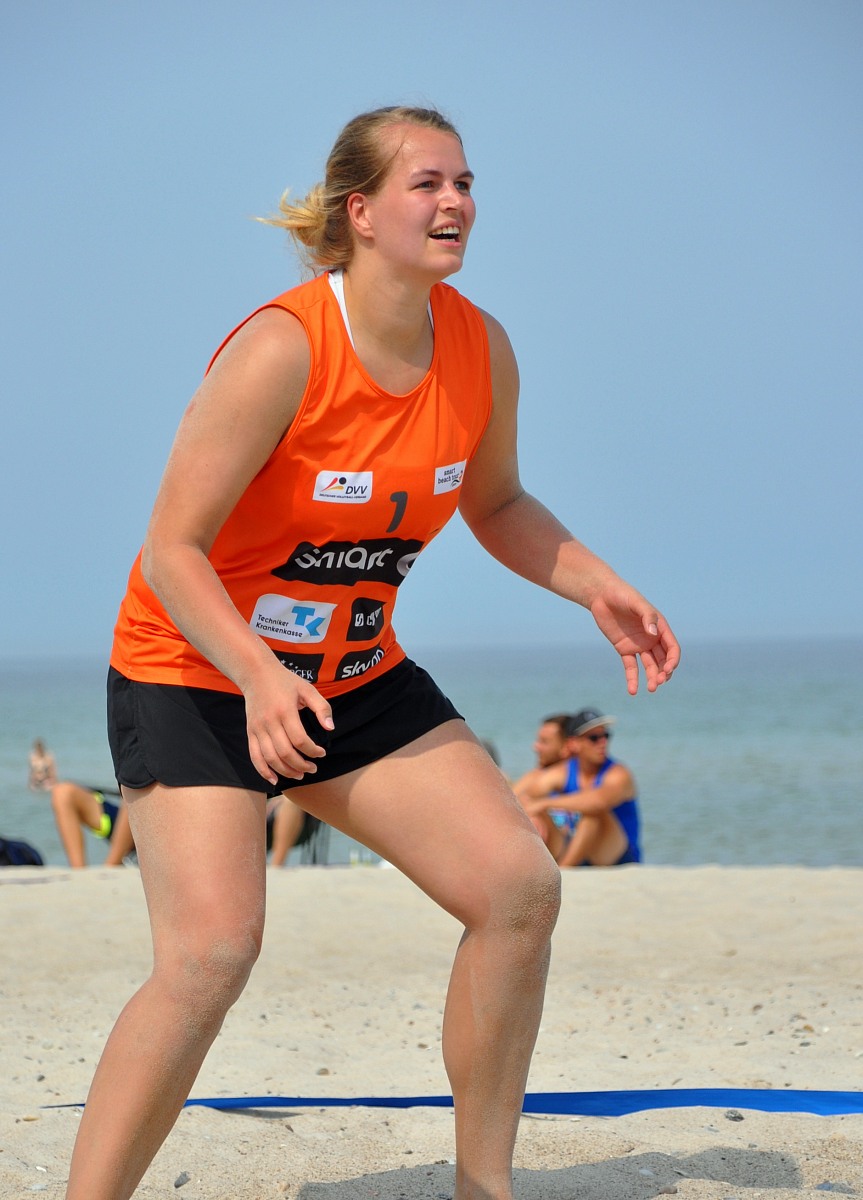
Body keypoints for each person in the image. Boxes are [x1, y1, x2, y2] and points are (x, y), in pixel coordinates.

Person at [67, 105, 679, 1200]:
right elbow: (171, 551)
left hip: (351, 676)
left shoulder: (480, 346)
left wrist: (597, 584)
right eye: (425, 183)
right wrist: (258, 675)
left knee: (517, 890)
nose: (454, 203)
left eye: (464, 182)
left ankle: (481, 1188)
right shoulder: (282, 348)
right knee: (210, 957)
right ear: (359, 211)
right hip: (195, 669)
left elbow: (497, 503)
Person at [517, 709, 641, 866]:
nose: (602, 742)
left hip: (615, 854)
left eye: (606, 736)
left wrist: (544, 803)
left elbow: (598, 802)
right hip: (574, 847)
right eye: (594, 738)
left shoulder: (618, 774)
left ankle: (565, 870)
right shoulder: (562, 772)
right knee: (535, 813)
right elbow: (524, 797)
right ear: (573, 744)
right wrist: (534, 814)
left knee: (593, 814)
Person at [48, 780, 135, 868]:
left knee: (132, 787)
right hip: (122, 814)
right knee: (63, 793)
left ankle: (111, 866)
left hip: (137, 814)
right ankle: (79, 871)